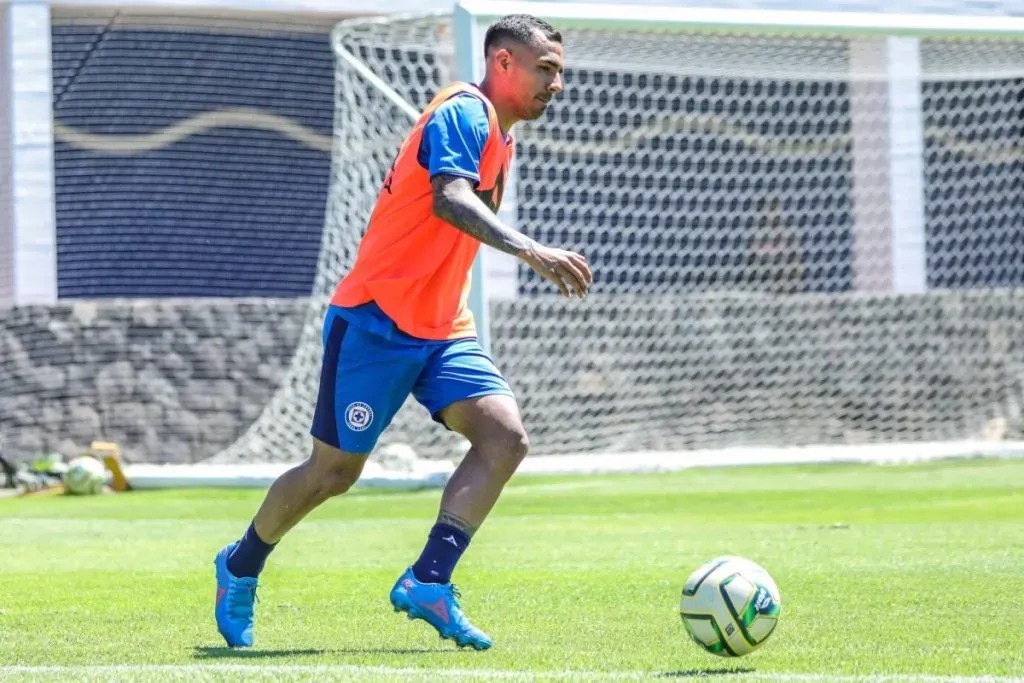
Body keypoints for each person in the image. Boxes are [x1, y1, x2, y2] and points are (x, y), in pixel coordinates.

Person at [213, 13, 592, 651]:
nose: (557, 84)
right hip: (376, 321)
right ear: (504, 63)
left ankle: (429, 582)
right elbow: (449, 197)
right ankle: (240, 565)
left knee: (505, 438)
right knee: (333, 474)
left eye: (559, 71)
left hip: (443, 327)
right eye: (546, 69)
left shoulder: (501, 135)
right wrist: (531, 250)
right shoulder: (463, 113)